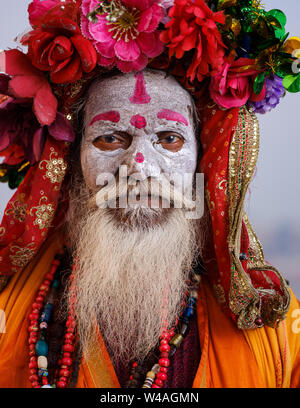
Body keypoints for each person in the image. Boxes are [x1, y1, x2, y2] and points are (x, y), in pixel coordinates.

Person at [0, 0, 299, 388]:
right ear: (71, 165)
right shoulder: (9, 312)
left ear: (203, 160)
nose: (140, 167)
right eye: (109, 138)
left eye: (169, 139)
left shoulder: (277, 329)